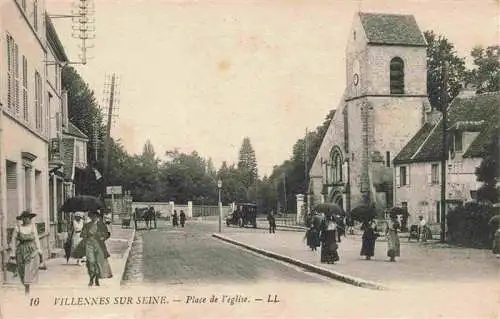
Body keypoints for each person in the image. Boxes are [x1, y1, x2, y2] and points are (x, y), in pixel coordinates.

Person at [9, 210, 42, 295]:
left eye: (29, 218)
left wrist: (39, 250)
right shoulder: (18, 228)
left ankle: (27, 289)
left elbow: (36, 239)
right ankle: (26, 286)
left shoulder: (33, 227)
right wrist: (12, 253)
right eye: (26, 218)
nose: (28, 220)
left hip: (31, 251)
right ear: (23, 219)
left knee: (29, 270)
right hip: (21, 251)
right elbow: (13, 241)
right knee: (22, 270)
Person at [80, 211, 113, 287]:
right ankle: (91, 278)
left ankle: (96, 279)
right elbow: (82, 234)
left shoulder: (101, 225)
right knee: (91, 262)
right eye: (92, 216)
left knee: (98, 262)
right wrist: (85, 235)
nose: (93, 217)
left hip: (99, 245)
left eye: (95, 216)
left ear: (97, 217)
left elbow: (107, 234)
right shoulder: (87, 225)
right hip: (89, 245)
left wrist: (103, 237)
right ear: (90, 217)